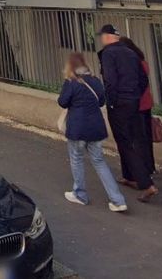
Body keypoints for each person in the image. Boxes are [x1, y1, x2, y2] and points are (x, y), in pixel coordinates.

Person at [57, 52, 127, 212]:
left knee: (76, 159)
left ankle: (80, 194)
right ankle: (117, 200)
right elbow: (102, 101)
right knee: (99, 161)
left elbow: (62, 102)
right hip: (96, 127)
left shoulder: (71, 82)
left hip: (78, 128)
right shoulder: (95, 81)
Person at [98, 24, 158, 202]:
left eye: (103, 36)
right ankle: (130, 176)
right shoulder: (131, 53)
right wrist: (135, 95)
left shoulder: (109, 53)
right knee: (133, 139)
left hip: (119, 104)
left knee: (125, 142)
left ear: (108, 37)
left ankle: (146, 184)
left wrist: (112, 102)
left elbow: (110, 80)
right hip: (133, 102)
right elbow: (142, 79)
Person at [120, 36, 155, 178]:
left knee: (136, 140)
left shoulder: (133, 65)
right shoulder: (143, 62)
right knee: (146, 138)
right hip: (146, 104)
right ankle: (149, 166)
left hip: (136, 106)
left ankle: (141, 172)